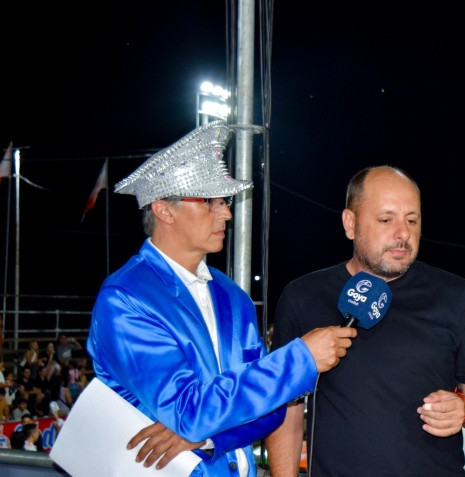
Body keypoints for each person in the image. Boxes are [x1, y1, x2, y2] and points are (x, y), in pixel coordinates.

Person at [86, 121, 357, 476]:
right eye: (209, 202)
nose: (227, 213)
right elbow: (189, 412)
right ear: (164, 210)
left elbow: (272, 409)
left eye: (224, 201)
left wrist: (208, 438)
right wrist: (299, 359)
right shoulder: (126, 298)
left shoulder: (233, 296)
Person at [267, 165, 465, 476]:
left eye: (412, 220)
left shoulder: (455, 295)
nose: (403, 233)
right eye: (386, 219)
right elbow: (287, 413)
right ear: (350, 223)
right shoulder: (303, 297)